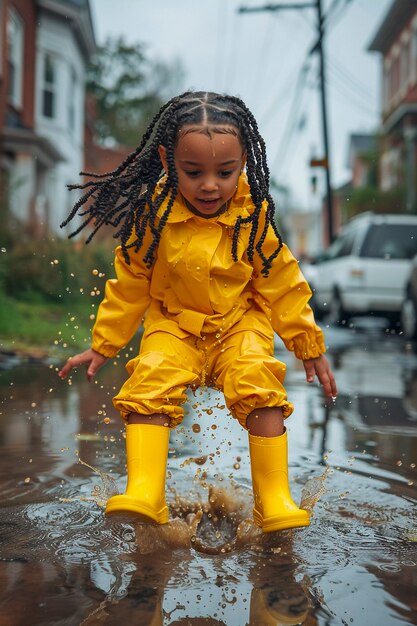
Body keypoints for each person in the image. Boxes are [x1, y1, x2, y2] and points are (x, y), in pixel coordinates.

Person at [58, 91, 337, 533]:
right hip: (173, 326)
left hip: (238, 326)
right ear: (168, 162)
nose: (210, 185)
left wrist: (307, 344)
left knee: (258, 380)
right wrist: (103, 344)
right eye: (194, 172)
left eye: (225, 172)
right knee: (149, 378)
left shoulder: (253, 218)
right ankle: (146, 492)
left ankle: (274, 500)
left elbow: (282, 283)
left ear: (243, 161)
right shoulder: (154, 215)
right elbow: (130, 282)